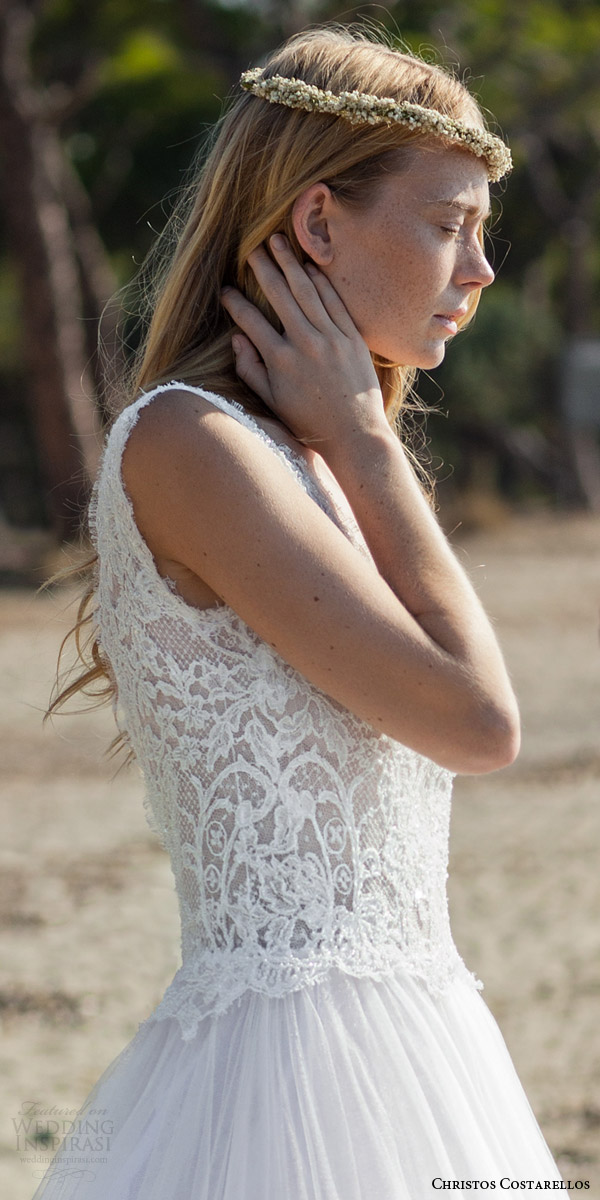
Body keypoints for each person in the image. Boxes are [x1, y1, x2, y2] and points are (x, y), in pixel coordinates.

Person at [35, 24, 562, 1199]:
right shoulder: (193, 442)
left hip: (417, 1036)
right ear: (318, 223)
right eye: (447, 227)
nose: (479, 272)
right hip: (281, 1074)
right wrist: (371, 440)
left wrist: (357, 440)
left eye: (482, 233)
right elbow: (482, 722)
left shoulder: (308, 451)